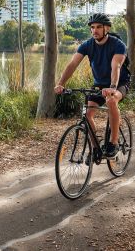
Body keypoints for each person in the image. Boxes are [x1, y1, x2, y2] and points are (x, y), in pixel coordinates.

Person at [54, 13, 130, 158]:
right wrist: (61, 84)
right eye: (92, 27)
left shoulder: (118, 45)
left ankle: (113, 143)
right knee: (87, 114)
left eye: (99, 27)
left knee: (111, 100)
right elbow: (72, 64)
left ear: (106, 28)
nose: (95, 30)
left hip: (120, 83)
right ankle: (95, 148)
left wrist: (113, 87)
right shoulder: (87, 45)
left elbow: (117, 66)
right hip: (99, 84)